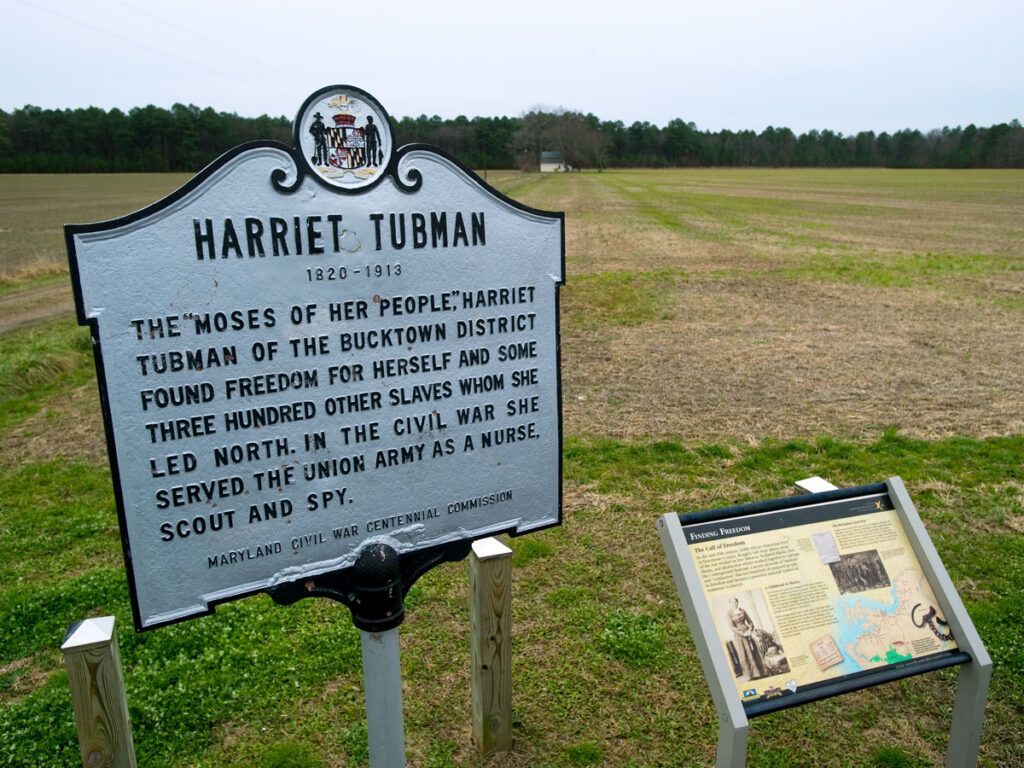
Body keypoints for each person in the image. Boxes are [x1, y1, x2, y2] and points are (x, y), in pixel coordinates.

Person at [727, 597, 767, 680]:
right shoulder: (729, 613)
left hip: (748, 633)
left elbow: (750, 622)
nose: (734, 604)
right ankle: (750, 675)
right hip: (739, 635)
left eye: (735, 602)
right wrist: (743, 633)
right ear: (730, 604)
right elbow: (732, 627)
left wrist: (750, 630)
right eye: (732, 602)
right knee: (744, 654)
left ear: (737, 602)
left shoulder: (742, 610)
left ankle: (759, 673)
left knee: (753, 652)